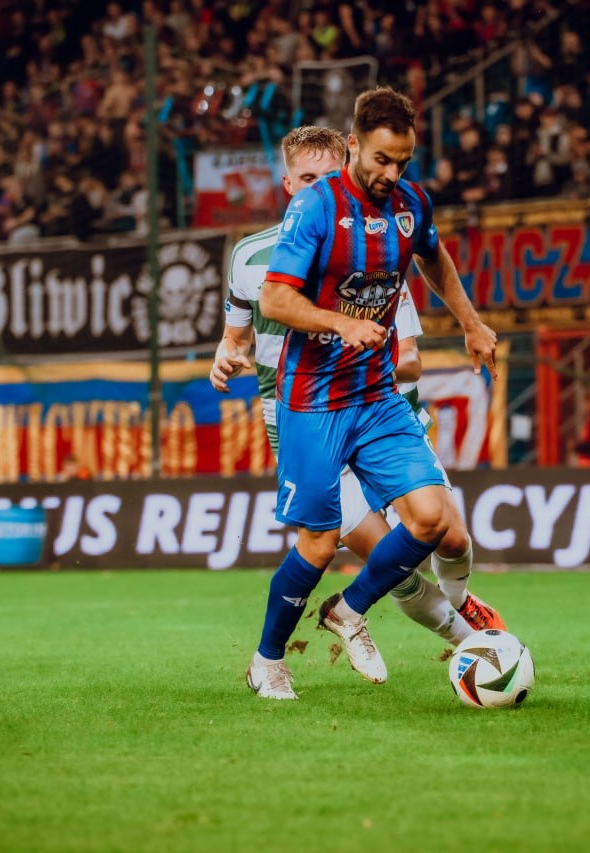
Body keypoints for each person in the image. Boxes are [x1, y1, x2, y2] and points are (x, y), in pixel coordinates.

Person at [211, 126, 504, 700]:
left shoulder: (385, 233)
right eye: (307, 179)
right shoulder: (257, 253)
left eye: (328, 176)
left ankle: (378, 613)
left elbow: (415, 330)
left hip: (373, 402)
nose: (318, 188)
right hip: (303, 411)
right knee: (331, 548)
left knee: (441, 527)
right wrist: (228, 354)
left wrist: (466, 324)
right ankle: (273, 659)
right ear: (288, 183)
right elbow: (244, 326)